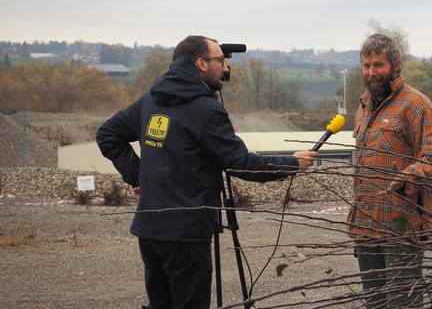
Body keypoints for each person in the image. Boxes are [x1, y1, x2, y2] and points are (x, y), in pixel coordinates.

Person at [96, 35, 316, 309]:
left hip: (150, 229)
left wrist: (139, 176)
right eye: (220, 61)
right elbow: (240, 163)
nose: (225, 69)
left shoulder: (152, 99)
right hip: (185, 233)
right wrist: (292, 164)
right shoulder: (204, 109)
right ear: (200, 63)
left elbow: (108, 134)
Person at [346, 34, 432, 308]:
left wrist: (406, 178)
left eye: (378, 65)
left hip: (402, 226)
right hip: (365, 223)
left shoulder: (417, 105)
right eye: (366, 66)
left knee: (402, 303)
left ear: (395, 65)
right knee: (374, 303)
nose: (371, 73)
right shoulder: (364, 104)